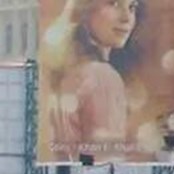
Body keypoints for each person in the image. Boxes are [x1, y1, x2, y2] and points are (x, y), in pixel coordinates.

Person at [39, 0, 143, 155]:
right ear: (84, 9)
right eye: (114, 4)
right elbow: (106, 165)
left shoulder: (65, 72)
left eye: (132, 7)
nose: (126, 18)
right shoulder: (103, 77)